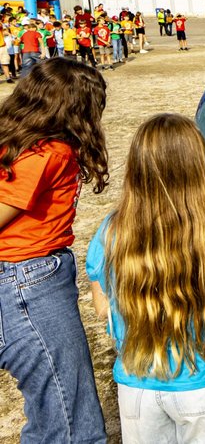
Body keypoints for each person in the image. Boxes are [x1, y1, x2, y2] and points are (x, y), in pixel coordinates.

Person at [87, 113, 205, 444]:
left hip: (137, 385)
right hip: (204, 380)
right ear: (198, 167)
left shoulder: (111, 230)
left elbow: (103, 308)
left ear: (136, 169)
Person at [0, 57, 110, 442]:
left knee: (52, 411)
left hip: (22, 277)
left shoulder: (18, 140)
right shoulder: (48, 152)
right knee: (69, 417)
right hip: (28, 280)